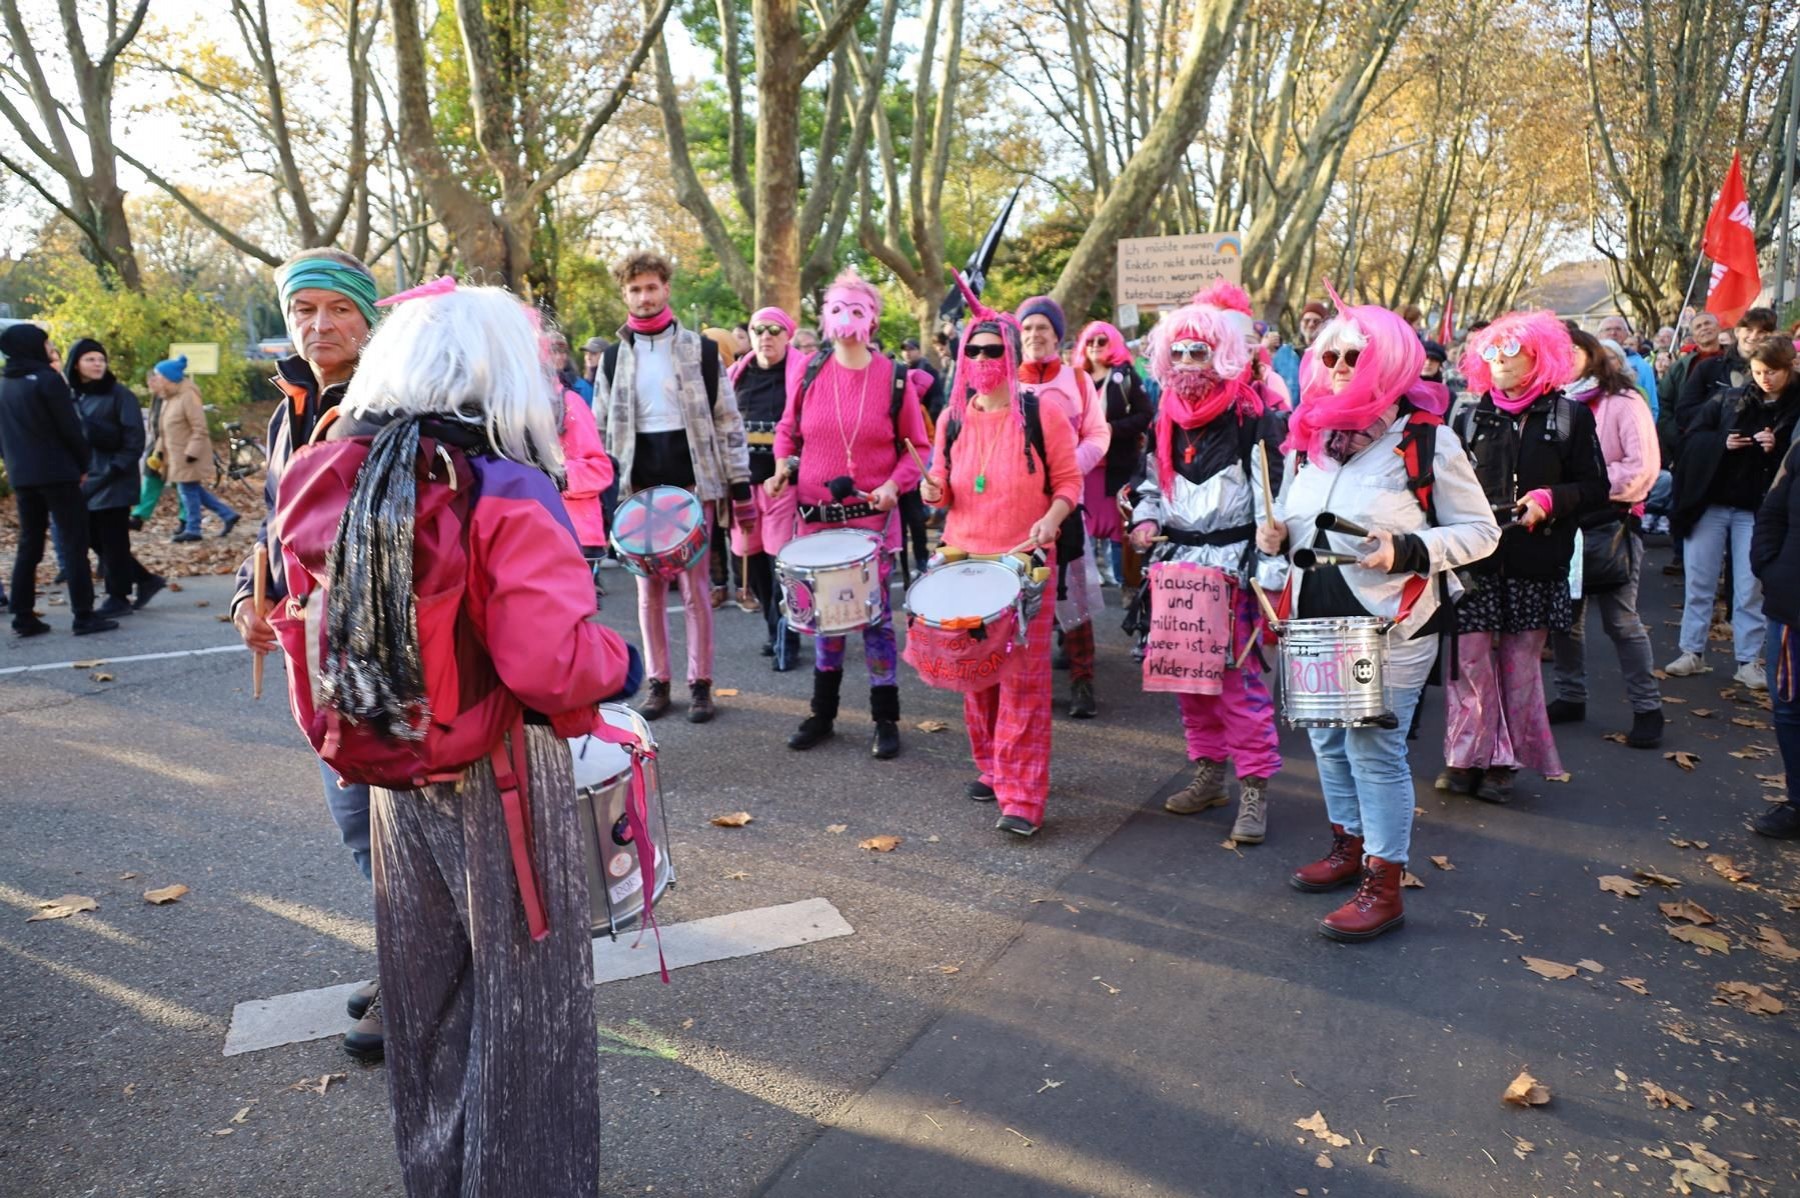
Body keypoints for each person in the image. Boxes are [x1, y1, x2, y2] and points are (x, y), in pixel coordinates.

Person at [270, 282, 638, 1197]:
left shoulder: (338, 463)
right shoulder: (503, 484)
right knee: (528, 1017)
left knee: (427, 1001)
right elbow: (551, 666)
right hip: (500, 778)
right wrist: (620, 664)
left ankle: (440, 1178)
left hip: (390, 765)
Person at [1259, 296, 1500, 940]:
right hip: (1314, 614)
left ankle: (1383, 882)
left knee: (1373, 747)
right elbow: (1290, 517)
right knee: (1326, 738)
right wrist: (1274, 541)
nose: (1337, 366)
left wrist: (1410, 548)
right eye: (1328, 354)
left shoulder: (1427, 440)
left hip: (1393, 619)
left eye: (1352, 356)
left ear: (1387, 362)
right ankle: (1348, 845)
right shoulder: (1308, 439)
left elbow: (1482, 533)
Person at [232, 246, 385, 1058]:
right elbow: (272, 523)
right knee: (356, 821)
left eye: (338, 309)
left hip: (381, 647)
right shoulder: (288, 405)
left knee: (394, 813)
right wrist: (246, 595)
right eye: (303, 310)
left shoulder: (394, 399)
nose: (320, 325)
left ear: (367, 317)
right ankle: (412, 950)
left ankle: (432, 967)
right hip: (308, 642)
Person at [919, 294, 1082, 836]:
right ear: (963, 357)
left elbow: (1069, 484)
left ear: (1010, 356)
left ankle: (1023, 797)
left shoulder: (1044, 413)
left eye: (994, 350)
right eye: (975, 350)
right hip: (964, 564)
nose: (984, 359)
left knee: (1022, 684)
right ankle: (992, 768)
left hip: (1023, 566)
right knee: (976, 678)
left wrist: (1051, 521)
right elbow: (943, 495)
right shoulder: (951, 420)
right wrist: (932, 490)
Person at [1126, 298, 1284, 844]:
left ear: (1221, 355)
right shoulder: (1164, 414)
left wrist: (1269, 570)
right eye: (1181, 352)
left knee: (1238, 687)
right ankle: (1209, 773)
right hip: (1178, 568)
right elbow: (1151, 486)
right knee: (1188, 682)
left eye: (1201, 351)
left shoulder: (1253, 417)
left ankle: (1255, 787)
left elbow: (1272, 502)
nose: (1190, 362)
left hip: (1233, 569)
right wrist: (1146, 521)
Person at [1439, 312, 1609, 803]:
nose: (1499, 362)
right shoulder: (1466, 416)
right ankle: (1463, 755)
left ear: (1539, 357)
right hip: (1474, 563)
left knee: (1519, 666)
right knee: (1469, 661)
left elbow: (1596, 487)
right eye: (1491, 352)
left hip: (1536, 563)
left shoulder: (1569, 416)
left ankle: (1501, 764)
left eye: (1511, 351)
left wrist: (1550, 500)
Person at [771, 269, 932, 759]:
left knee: (875, 619)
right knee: (826, 617)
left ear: (873, 318)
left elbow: (916, 449)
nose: (846, 318)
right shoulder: (807, 370)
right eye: (837, 308)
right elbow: (787, 430)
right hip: (816, 520)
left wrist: (891, 485)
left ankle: (886, 719)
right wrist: (782, 464)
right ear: (824, 317)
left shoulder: (894, 378)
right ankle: (823, 714)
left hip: (871, 522)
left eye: (857, 309)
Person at [593, 251, 753, 723]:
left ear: (666, 288)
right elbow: (601, 429)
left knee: (696, 590)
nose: (644, 297)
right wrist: (603, 496)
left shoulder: (700, 351)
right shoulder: (612, 358)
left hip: (692, 486)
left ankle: (701, 683)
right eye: (635, 289)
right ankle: (659, 683)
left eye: (651, 287)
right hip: (638, 492)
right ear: (625, 294)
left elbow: (728, 420)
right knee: (648, 594)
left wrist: (739, 484)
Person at [1547, 327, 1664, 746]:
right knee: (1566, 620)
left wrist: (1582, 486)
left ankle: (1648, 708)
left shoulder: (1624, 401)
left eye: (1571, 350)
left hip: (1611, 523)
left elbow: (1642, 468)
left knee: (1621, 621)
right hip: (1564, 525)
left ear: (1590, 353)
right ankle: (1570, 695)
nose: (1563, 356)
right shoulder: (1555, 403)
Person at [1667, 338, 1800, 690]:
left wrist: (1779, 448)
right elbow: (1691, 438)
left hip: (1758, 507)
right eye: (1757, 372)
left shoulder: (1795, 407)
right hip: (1712, 501)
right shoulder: (1729, 398)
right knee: (1699, 580)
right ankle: (1691, 650)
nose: (1764, 379)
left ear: (1788, 369)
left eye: (1771, 372)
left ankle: (1748, 659)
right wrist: (1721, 443)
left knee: (1750, 587)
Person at [1017, 295, 1111, 718]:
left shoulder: (1077, 380)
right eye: (1027, 328)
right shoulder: (1006, 381)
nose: (1035, 335)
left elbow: (1097, 434)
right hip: (1017, 510)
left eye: (1042, 328)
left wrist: (1068, 468)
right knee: (1021, 595)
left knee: (1075, 597)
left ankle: (1083, 681)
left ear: (1057, 334)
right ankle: (1023, 682)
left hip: (1068, 504)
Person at [0, 323, 119, 637]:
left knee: (29, 545)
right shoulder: (47, 380)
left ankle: (22, 614)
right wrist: (82, 464)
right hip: (58, 472)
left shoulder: (4, 384)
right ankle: (83, 613)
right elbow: (70, 428)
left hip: (22, 475)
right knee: (73, 543)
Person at [731, 306, 807, 667]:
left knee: (782, 563)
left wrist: (788, 468)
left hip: (784, 484)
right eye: (758, 329)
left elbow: (809, 433)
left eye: (775, 330)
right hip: (744, 487)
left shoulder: (801, 375)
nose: (766, 336)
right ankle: (771, 624)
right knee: (753, 559)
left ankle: (786, 634)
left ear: (787, 335)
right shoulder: (736, 375)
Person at [65, 339, 164, 616]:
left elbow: (134, 439)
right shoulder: (73, 396)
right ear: (76, 364)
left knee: (113, 539)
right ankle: (145, 579)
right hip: (86, 478)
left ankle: (118, 595)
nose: (98, 364)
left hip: (115, 478)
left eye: (101, 359)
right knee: (93, 538)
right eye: (90, 359)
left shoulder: (120, 395)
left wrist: (115, 469)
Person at [1749, 426, 1800, 840]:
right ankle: (1798, 802)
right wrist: (1770, 568)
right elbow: (1773, 511)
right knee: (1789, 707)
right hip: (1792, 605)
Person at [1075, 320, 1152, 588]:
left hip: (1116, 465)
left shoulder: (1125, 375)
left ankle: (1124, 582)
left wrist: (1111, 428)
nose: (1095, 346)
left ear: (1113, 344)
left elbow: (1145, 415)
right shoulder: (1074, 378)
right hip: (1083, 466)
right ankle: (1088, 576)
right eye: (1090, 341)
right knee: (1082, 523)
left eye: (1101, 341)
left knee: (1119, 526)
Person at [148, 357, 240, 543]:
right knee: (192, 490)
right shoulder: (169, 398)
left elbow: (200, 428)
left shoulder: (188, 396)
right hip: (175, 455)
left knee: (187, 491)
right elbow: (165, 432)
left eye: (159, 376)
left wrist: (191, 453)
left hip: (187, 455)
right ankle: (227, 514)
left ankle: (193, 528)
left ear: (168, 377)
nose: (157, 379)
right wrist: (158, 453)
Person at [1598, 314, 1659, 418]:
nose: (1613, 333)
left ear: (1626, 334)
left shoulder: (1642, 366)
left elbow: (1651, 406)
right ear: (1598, 334)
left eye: (1618, 329)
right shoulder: (1588, 363)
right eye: (1608, 329)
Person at [549, 330, 593, 407]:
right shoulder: (537, 384)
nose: (558, 357)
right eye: (554, 352)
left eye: (562, 352)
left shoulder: (583, 387)